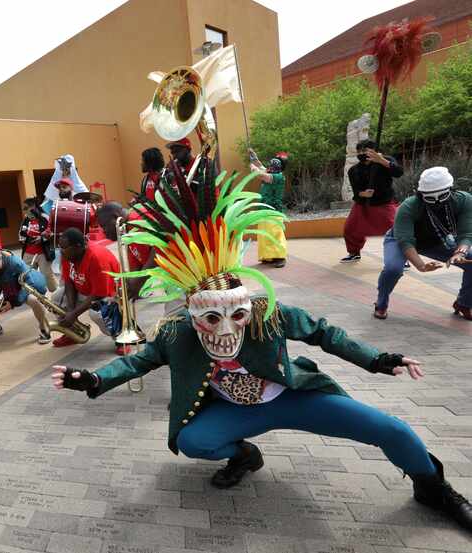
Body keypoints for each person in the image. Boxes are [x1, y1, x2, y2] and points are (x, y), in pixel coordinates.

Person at [51, 168, 472, 533]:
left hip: (291, 396)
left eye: (235, 314)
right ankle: (245, 455)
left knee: (392, 430)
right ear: (194, 317)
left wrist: (378, 360)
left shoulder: (266, 313)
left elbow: (324, 332)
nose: (227, 326)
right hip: (234, 410)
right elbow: (141, 360)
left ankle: (434, 490)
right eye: (211, 319)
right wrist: (93, 378)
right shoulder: (178, 331)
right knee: (193, 440)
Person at [375, 166, 472, 320]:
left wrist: (460, 252)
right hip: (400, 240)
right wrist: (420, 265)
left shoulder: (464, 200)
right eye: (430, 198)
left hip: (436, 240)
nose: (437, 201)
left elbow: (466, 233)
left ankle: (464, 303)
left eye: (443, 195)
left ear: (451, 189)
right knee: (393, 269)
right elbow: (405, 241)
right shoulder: (408, 207)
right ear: (421, 194)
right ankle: (381, 303)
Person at [52, 228, 123, 352]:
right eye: (60, 247)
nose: (61, 252)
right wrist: (70, 309)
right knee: (56, 298)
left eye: (64, 248)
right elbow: (69, 282)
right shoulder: (68, 254)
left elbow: (98, 294)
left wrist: (73, 314)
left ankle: (122, 337)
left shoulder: (97, 258)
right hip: (86, 289)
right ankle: (73, 333)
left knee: (97, 313)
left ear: (78, 246)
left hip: (110, 293)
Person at [341, 139, 404, 263]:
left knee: (396, 229)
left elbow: (398, 172)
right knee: (350, 229)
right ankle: (354, 252)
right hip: (362, 204)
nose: (362, 153)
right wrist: (363, 194)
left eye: (365, 150)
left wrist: (382, 161)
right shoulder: (353, 170)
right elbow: (356, 191)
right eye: (359, 151)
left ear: (375, 151)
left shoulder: (386, 160)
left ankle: (402, 256)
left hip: (384, 202)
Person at [0, 244, 52, 344]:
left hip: (23, 288)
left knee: (34, 300)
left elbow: (29, 282)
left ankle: (44, 328)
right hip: (7, 291)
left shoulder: (15, 262)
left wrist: (12, 303)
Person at [95, 201, 154, 300]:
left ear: (115, 217)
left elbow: (159, 252)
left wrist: (138, 281)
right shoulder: (127, 228)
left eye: (104, 226)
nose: (104, 232)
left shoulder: (137, 220)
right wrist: (131, 283)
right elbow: (136, 259)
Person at [250, 150, 289, 268]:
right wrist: (254, 157)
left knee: (275, 233)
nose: (270, 167)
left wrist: (254, 169)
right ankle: (268, 256)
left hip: (274, 209)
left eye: (274, 165)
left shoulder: (278, 177)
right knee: (264, 234)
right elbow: (261, 167)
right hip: (264, 208)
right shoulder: (271, 172)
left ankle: (280, 256)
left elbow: (262, 175)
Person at [19, 197, 57, 292]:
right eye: (24, 208)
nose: (25, 211)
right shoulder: (26, 220)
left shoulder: (45, 217)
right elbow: (21, 233)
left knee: (47, 275)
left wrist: (42, 238)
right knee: (28, 275)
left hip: (42, 253)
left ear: (34, 206)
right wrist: (23, 239)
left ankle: (56, 295)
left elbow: (52, 233)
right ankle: (35, 295)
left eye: (26, 208)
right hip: (28, 253)